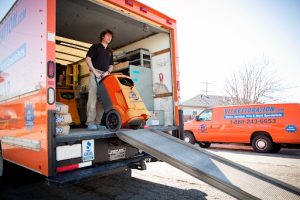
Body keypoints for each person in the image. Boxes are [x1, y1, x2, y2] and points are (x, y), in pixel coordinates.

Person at [85, 30, 114, 131]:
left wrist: (108, 72)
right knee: (92, 98)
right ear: (102, 36)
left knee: (102, 100)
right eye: (107, 36)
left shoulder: (110, 51)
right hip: (95, 73)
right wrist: (94, 72)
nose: (109, 38)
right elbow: (88, 59)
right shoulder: (95, 47)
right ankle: (90, 122)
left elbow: (111, 65)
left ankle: (97, 123)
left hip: (105, 76)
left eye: (111, 37)